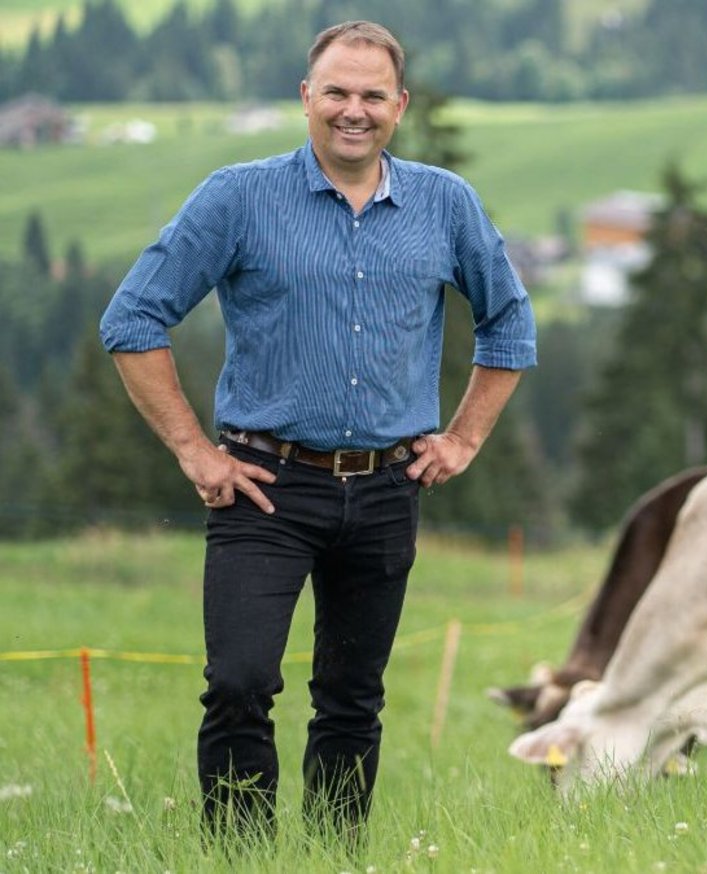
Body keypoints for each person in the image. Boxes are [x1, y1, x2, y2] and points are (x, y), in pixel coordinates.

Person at [98, 20, 536, 841]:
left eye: (373, 95)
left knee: (352, 698)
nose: (353, 110)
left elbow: (510, 324)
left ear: (400, 106)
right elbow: (132, 320)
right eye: (336, 92)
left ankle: (335, 854)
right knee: (238, 683)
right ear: (306, 97)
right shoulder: (238, 197)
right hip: (264, 487)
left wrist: (463, 439)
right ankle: (240, 857)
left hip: (388, 488)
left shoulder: (445, 203)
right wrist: (193, 450)